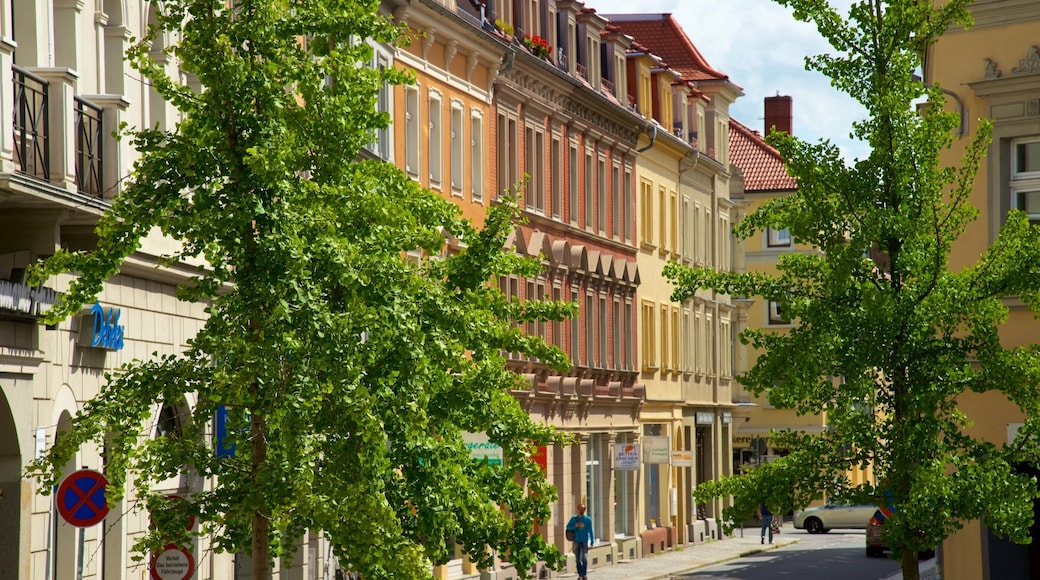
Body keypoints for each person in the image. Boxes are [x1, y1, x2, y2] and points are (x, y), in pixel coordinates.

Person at [566, 503, 595, 580]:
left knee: (585, 557)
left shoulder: (587, 519)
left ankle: (584, 574)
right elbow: (568, 527)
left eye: (583, 509)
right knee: (577, 558)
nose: (581, 511)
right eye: (580, 509)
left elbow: (590, 530)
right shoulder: (574, 519)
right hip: (576, 541)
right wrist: (575, 526)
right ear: (578, 509)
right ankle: (580, 575)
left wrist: (592, 541)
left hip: (584, 541)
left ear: (584, 510)